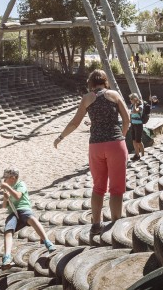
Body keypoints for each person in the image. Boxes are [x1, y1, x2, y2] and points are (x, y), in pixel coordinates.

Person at [55, 69, 129, 235]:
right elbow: (127, 119)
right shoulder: (114, 95)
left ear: (90, 83)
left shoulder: (87, 98)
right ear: (105, 81)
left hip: (95, 146)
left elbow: (75, 123)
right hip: (116, 144)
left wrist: (60, 137)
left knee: (98, 187)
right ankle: (116, 225)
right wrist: (121, 137)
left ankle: (96, 225)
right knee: (116, 189)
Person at [0, 167, 55, 268]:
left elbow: (17, 196)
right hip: (13, 213)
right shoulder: (8, 188)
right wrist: (5, 198)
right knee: (8, 231)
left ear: (12, 178)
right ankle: (7, 257)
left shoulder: (21, 184)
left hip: (23, 209)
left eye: (5, 178)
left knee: (32, 219)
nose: (4, 180)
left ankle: (47, 241)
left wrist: (7, 188)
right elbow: (4, 206)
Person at [128, 93, 145, 161]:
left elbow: (135, 111)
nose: (130, 100)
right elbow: (131, 114)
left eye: (131, 99)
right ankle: (137, 154)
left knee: (138, 141)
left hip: (138, 125)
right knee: (134, 141)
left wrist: (135, 103)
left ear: (135, 99)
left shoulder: (140, 105)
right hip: (133, 124)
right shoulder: (132, 105)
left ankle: (143, 154)